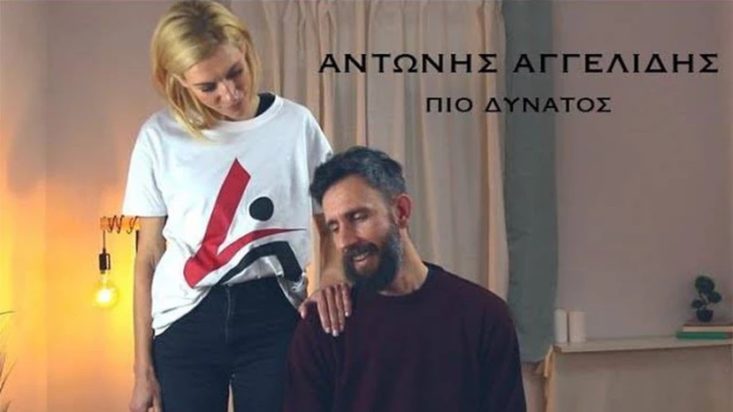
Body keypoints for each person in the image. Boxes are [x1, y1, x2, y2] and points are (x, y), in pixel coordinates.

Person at [122, 2, 349, 411]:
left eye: (235, 72)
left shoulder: (296, 125)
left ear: (245, 49)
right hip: (186, 318)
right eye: (208, 86)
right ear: (178, 81)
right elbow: (148, 255)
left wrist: (331, 271)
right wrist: (143, 369)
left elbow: (331, 215)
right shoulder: (158, 137)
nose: (229, 93)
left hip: (275, 315)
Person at [284, 146, 527, 412]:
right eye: (335, 227)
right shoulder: (323, 327)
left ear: (401, 211)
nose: (345, 241)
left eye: (358, 217)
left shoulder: (483, 315)